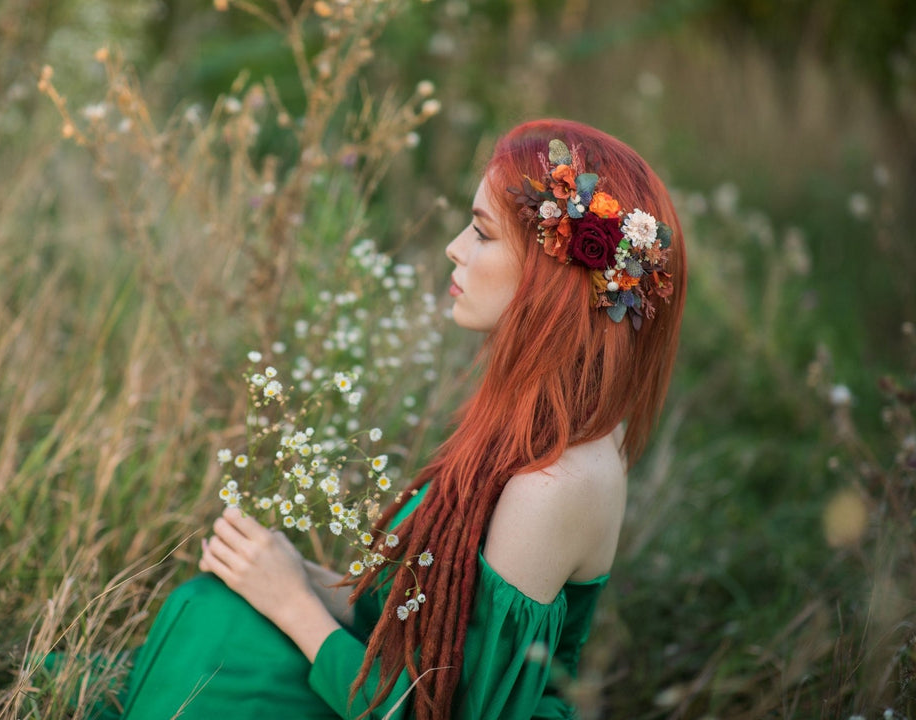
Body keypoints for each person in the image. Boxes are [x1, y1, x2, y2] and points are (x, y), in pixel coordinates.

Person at [58, 118, 686, 719]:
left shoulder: (552, 488)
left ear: (551, 276)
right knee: (213, 612)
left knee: (216, 632)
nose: (454, 248)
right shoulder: (544, 427)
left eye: (483, 233)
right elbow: (432, 627)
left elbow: (437, 709)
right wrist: (297, 572)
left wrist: (292, 603)